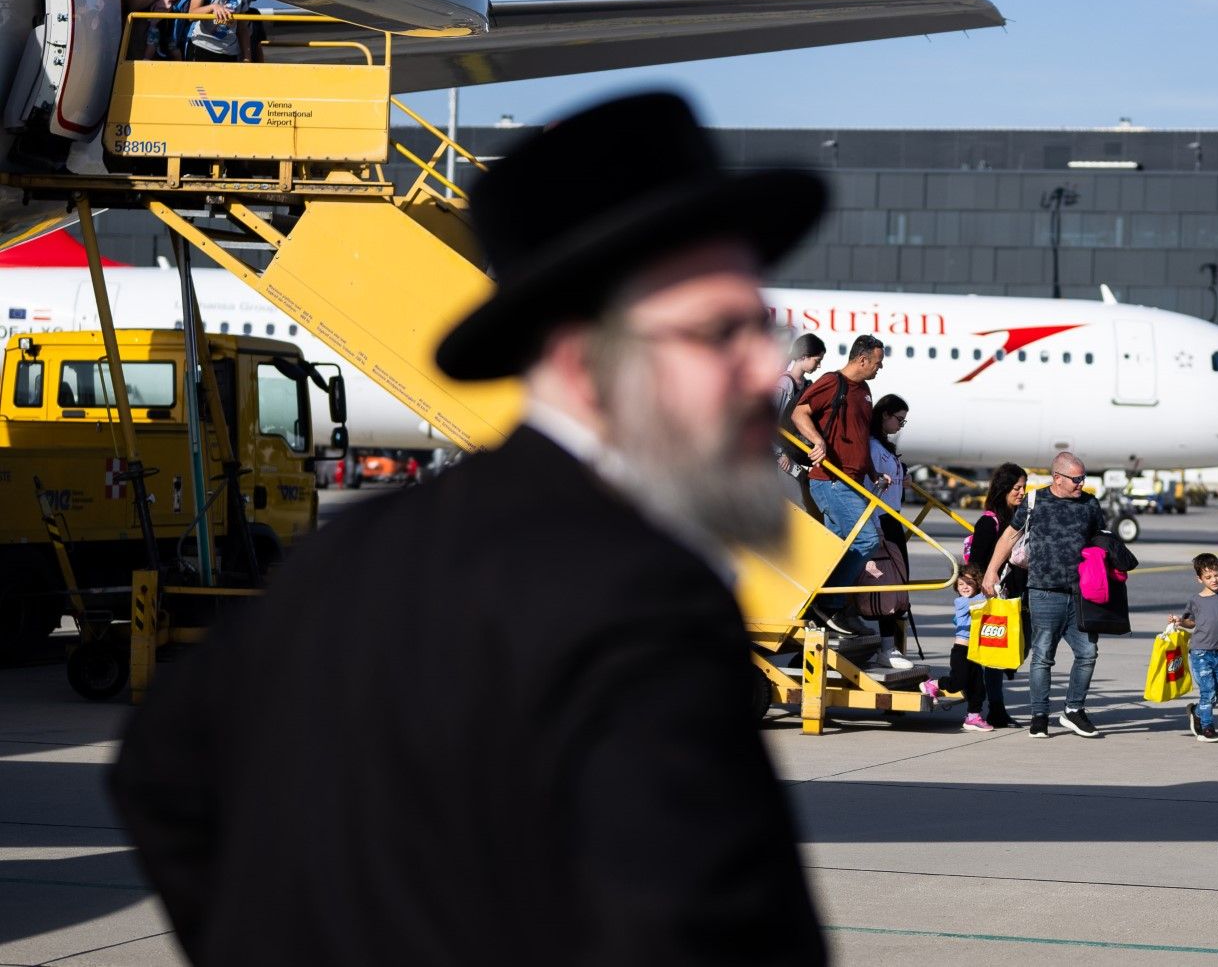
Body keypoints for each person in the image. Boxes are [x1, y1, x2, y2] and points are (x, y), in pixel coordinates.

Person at [108, 92, 827, 964]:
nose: (765, 369)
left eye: (764, 326)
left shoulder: (353, 550)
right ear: (580, 359)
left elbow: (161, 770)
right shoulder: (641, 598)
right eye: (723, 331)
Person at [983, 451, 1109, 739]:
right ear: (1057, 478)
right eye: (1076, 479)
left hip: (1080, 594)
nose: (1081, 484)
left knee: (1088, 653)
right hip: (1043, 592)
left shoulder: (1090, 503)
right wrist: (992, 571)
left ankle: (1074, 710)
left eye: (1083, 478)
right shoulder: (1034, 501)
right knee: (1042, 656)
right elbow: (1010, 537)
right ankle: (1039, 716)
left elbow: (1102, 539)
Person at [789, 333, 887, 634]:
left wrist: (872, 473)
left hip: (853, 481)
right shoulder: (833, 382)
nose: (879, 368)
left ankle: (829, 607)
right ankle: (829, 605)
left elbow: (859, 439)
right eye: (877, 363)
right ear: (862, 359)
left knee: (836, 549)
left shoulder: (865, 391)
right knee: (867, 540)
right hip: (832, 480)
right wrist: (817, 440)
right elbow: (799, 411)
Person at [965, 462, 1025, 727]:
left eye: (1024, 487)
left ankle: (996, 705)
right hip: (992, 600)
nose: (1022, 492)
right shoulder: (989, 522)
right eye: (1017, 487)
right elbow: (975, 563)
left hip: (1015, 597)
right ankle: (995, 709)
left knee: (1018, 648)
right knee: (992, 660)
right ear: (1003, 489)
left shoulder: (1019, 519)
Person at [1171, 552, 1218, 743]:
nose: (1214, 580)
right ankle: (1207, 729)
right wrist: (1180, 621)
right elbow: (1191, 623)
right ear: (1199, 579)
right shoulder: (1195, 600)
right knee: (1208, 692)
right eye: (1208, 577)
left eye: (1216, 575)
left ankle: (1196, 711)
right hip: (1199, 652)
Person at [867, 392, 913, 669]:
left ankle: (889, 644)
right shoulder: (872, 447)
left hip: (892, 518)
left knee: (898, 581)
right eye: (899, 420)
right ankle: (886, 646)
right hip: (880, 519)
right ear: (884, 415)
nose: (900, 426)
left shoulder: (882, 447)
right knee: (889, 582)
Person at [922, 564, 993, 732]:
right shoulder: (962, 602)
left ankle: (973, 717)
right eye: (961, 584)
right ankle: (933, 684)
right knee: (956, 683)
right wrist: (991, 592)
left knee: (977, 687)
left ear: (977, 584)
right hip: (961, 652)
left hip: (975, 651)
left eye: (969, 583)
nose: (965, 587)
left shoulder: (980, 601)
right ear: (956, 587)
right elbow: (979, 602)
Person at [773, 331, 826, 502]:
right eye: (817, 361)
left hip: (793, 456)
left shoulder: (808, 386)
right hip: (780, 458)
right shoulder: (783, 385)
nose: (819, 366)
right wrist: (779, 454)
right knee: (798, 506)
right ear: (804, 357)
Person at [185, 0, 256, 63]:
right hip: (202, 47)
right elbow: (191, 15)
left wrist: (247, 58)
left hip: (230, 53)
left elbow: (242, 28)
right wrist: (213, 7)